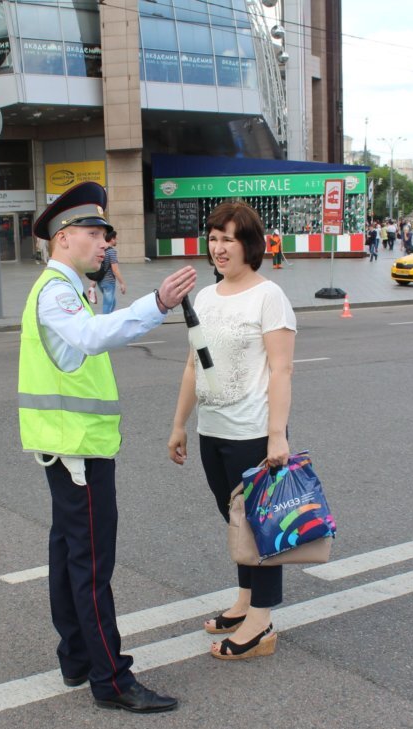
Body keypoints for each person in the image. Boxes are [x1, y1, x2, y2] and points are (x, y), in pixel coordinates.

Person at [19, 181, 195, 714]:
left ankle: (77, 657)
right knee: (92, 565)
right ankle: (111, 679)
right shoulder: (55, 290)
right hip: (78, 452)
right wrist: (157, 303)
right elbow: (94, 339)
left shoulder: (67, 286)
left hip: (70, 447)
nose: (105, 245)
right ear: (65, 236)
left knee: (70, 556)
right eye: (96, 234)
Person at [167, 200, 295, 661]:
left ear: (250, 245)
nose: (219, 248)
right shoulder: (204, 297)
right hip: (213, 430)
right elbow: (193, 364)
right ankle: (245, 601)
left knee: (262, 527)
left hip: (253, 433)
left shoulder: (268, 296)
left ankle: (261, 623)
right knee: (236, 521)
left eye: (229, 239)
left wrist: (276, 435)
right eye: (214, 238)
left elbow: (281, 370)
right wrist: (180, 424)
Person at [96, 229, 124, 313]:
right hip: (108, 282)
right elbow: (115, 270)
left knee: (112, 302)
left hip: (100, 281)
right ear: (112, 239)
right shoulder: (111, 252)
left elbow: (95, 266)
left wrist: (92, 284)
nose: (117, 240)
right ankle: (104, 323)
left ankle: (109, 319)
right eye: (116, 239)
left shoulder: (101, 249)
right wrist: (122, 283)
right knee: (107, 305)